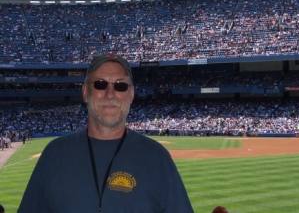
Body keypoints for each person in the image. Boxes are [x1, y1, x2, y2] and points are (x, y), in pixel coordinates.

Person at [18, 54, 194, 213]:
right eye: (100, 84)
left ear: (131, 94)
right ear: (86, 92)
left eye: (120, 85)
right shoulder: (54, 155)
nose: (110, 94)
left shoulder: (158, 158)